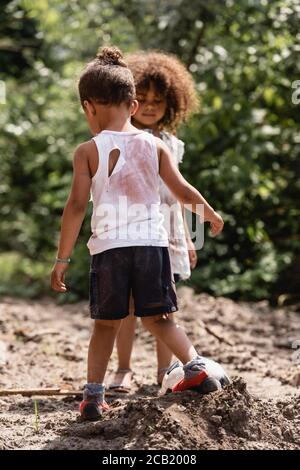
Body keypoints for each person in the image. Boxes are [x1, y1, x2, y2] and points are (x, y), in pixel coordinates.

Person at [51, 46, 224, 421]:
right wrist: (208, 213)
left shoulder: (87, 151)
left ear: (88, 107)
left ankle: (93, 397)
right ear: (132, 105)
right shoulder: (156, 144)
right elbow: (181, 190)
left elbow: (76, 207)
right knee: (161, 319)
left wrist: (62, 259)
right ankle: (195, 368)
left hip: (110, 251)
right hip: (152, 248)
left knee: (106, 325)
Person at [109, 51, 200, 391]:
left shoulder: (172, 145)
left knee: (165, 306)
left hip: (168, 233)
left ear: (171, 103)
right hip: (131, 231)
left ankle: (166, 371)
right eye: (142, 99)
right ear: (129, 101)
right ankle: (123, 367)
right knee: (128, 307)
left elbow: (177, 195)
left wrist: (189, 239)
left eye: (157, 100)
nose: (149, 106)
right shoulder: (121, 139)